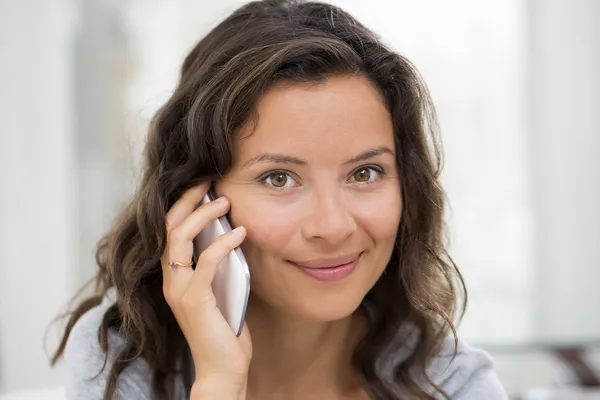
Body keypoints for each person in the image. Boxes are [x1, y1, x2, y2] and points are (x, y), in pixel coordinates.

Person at [51, 0, 507, 399]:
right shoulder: (124, 362)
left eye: (365, 173)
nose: (333, 225)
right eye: (279, 178)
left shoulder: (454, 386)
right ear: (197, 201)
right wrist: (218, 386)